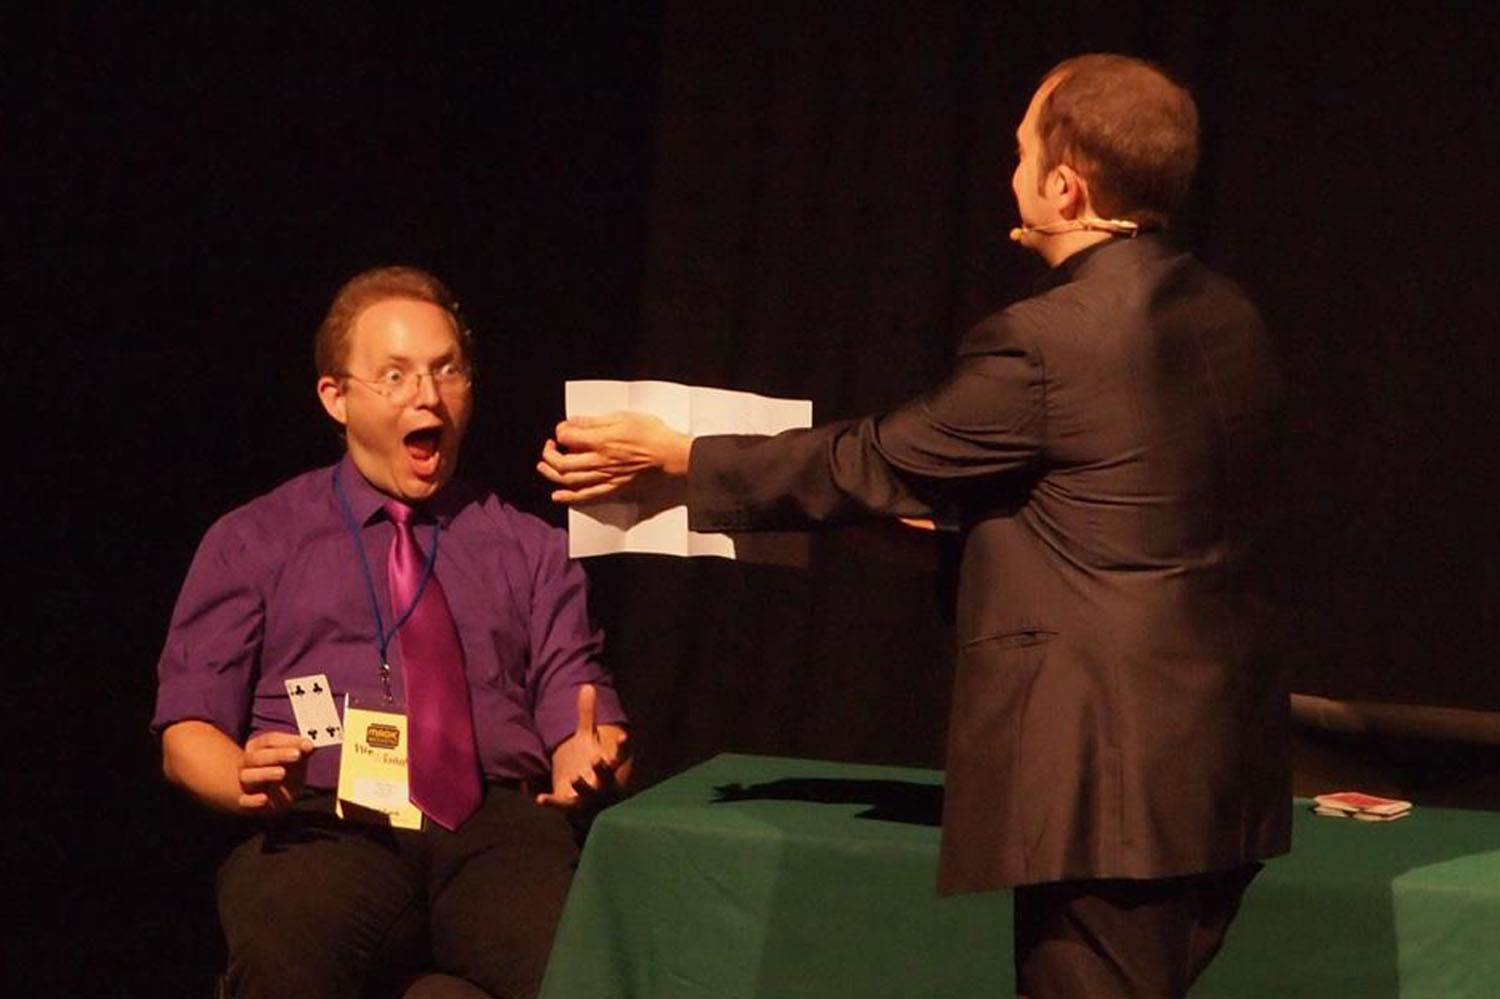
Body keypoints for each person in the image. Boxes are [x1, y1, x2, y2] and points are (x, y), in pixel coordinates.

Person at [538, 54, 1288, 998]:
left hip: (1113, 783)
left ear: (1065, 185)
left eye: (1021, 152)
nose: (1008, 171)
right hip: (1216, 771)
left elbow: (879, 457)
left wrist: (684, 454)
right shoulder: (1229, 314)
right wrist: (885, 530)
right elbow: (1110, 525)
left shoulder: (1052, 337)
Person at [153, 265, 629, 999]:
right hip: (327, 816)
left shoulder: (532, 547)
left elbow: (583, 717)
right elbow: (188, 729)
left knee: (587, 968)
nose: (428, 396)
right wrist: (240, 777)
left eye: (447, 371)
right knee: (286, 940)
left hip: (494, 825)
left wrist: (589, 760)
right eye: (397, 375)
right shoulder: (255, 538)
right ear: (335, 397)